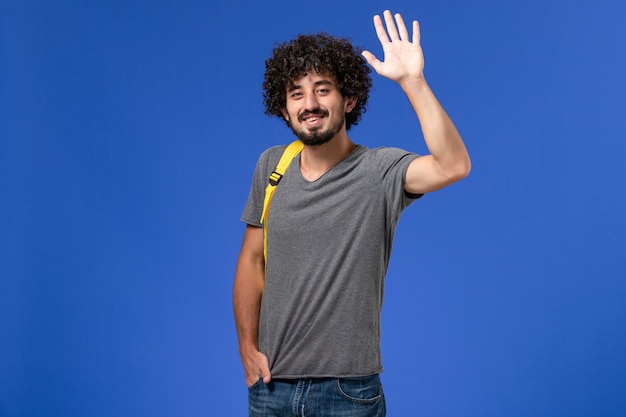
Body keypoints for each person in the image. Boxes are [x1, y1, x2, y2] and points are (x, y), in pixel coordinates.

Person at [233, 10, 471, 417]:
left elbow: (453, 165)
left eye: (323, 90)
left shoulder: (379, 171)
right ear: (284, 108)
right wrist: (246, 350)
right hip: (271, 390)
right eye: (296, 93)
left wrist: (413, 82)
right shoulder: (272, 166)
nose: (310, 104)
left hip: (348, 393)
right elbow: (252, 261)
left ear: (350, 98)